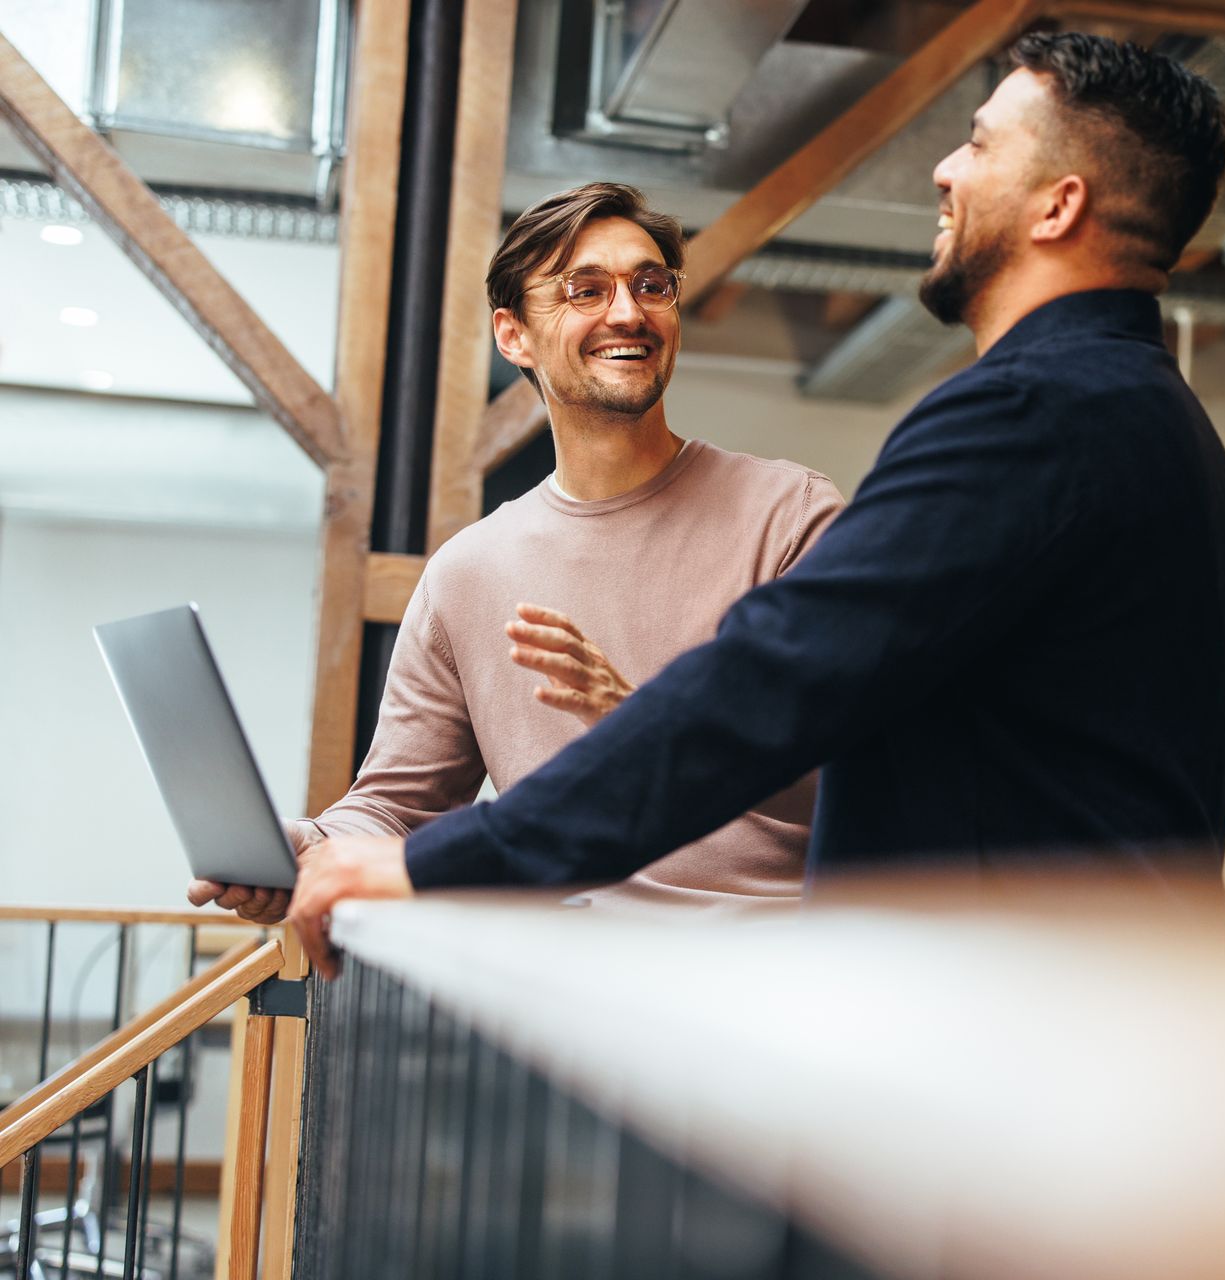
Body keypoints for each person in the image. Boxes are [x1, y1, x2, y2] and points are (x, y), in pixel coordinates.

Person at [283, 33, 1225, 975]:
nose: (946, 169)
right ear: (515, 334)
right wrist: (343, 849)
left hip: (1024, 1039)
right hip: (1074, 1025)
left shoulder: (1030, 413)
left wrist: (437, 861)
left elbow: (768, 689)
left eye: (982, 142)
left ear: (1059, 206)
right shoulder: (1153, 420)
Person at [190, 183, 843, 919]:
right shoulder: (468, 572)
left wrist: (656, 724)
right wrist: (316, 846)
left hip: (763, 975)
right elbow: (400, 807)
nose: (628, 312)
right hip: (547, 982)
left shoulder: (790, 516)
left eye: (650, 284)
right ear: (514, 336)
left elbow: (866, 763)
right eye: (584, 290)